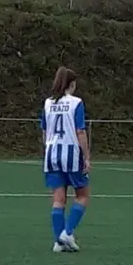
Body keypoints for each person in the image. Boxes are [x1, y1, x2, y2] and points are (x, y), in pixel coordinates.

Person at [41, 66, 90, 252]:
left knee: (58, 199)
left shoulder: (48, 103)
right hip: (71, 153)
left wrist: (48, 149)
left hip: (52, 153)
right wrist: (86, 156)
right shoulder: (76, 103)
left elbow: (44, 132)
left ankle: (58, 241)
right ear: (72, 84)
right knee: (83, 195)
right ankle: (67, 233)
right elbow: (80, 131)